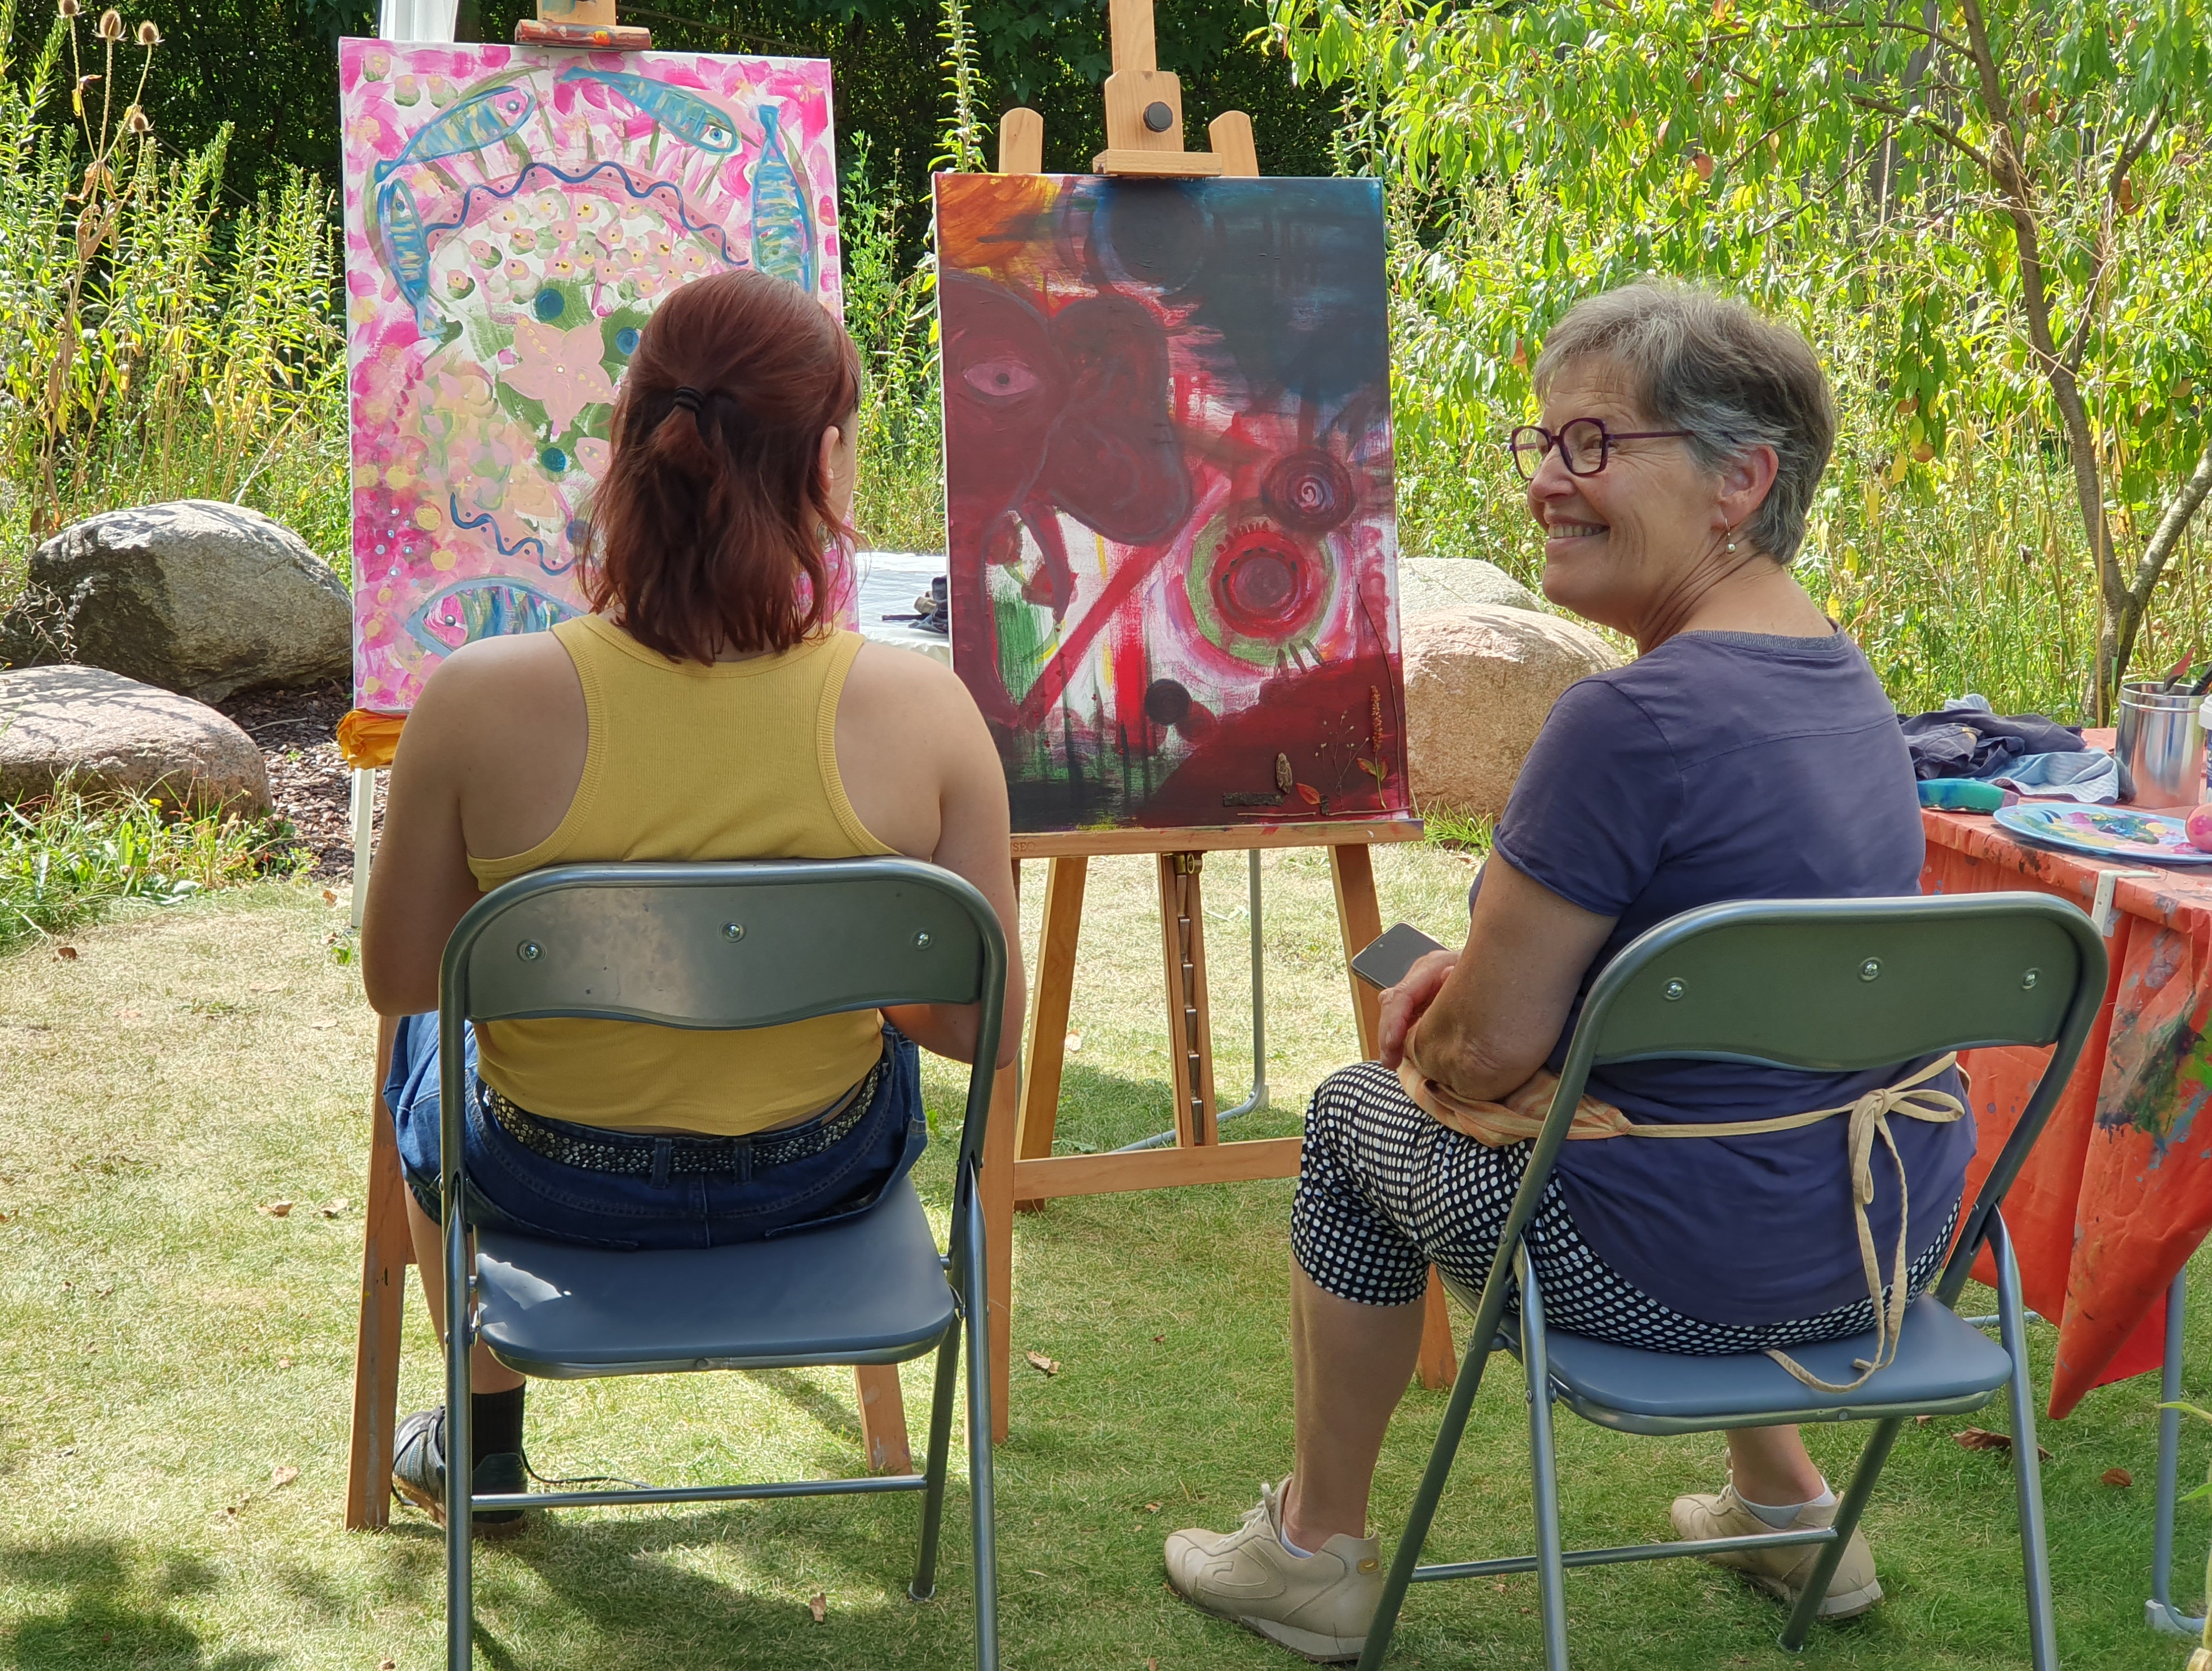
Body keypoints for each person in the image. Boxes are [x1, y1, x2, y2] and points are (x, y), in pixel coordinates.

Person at [1163, 281, 1972, 1660]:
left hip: (1673, 1271)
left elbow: (1478, 1058)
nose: (1549, 480)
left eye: (1594, 444)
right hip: (1879, 1257)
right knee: (1713, 1113)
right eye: (1541, 443)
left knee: (1353, 1122)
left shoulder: (1626, 719)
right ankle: (1790, 1511)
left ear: (1742, 481)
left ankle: (1313, 1552)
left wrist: (1447, 1016)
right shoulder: (1847, 676)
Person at [361, 269, 1025, 1533]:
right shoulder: (926, 715)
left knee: (421, 1043)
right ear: (826, 466)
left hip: (551, 1184)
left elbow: (403, 976)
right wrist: (815, 956)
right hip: (817, 1174)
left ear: (633, 443)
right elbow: (973, 1021)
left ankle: (481, 1444)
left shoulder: (476, 700)